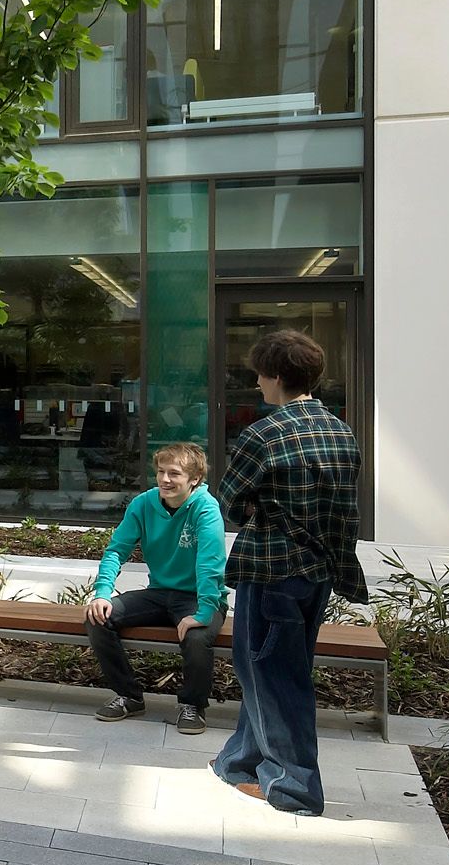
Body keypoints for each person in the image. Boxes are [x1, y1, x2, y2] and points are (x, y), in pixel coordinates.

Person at [211, 330, 367, 815]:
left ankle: (293, 786)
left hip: (272, 569)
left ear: (276, 376)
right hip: (319, 571)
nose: (257, 383)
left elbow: (230, 501)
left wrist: (260, 506)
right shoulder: (341, 431)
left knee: (272, 676)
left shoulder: (264, 433)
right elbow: (345, 510)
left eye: (260, 374)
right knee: (278, 669)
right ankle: (241, 761)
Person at [86, 442, 227, 734]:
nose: (165, 479)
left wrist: (204, 612)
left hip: (199, 597)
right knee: (98, 617)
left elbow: (210, 562)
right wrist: (102, 593)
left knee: (197, 637)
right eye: (161, 472)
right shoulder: (144, 503)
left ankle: (193, 705)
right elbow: (116, 550)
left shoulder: (206, 508)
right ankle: (129, 696)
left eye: (174, 473)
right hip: (159, 593)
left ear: (195, 479)